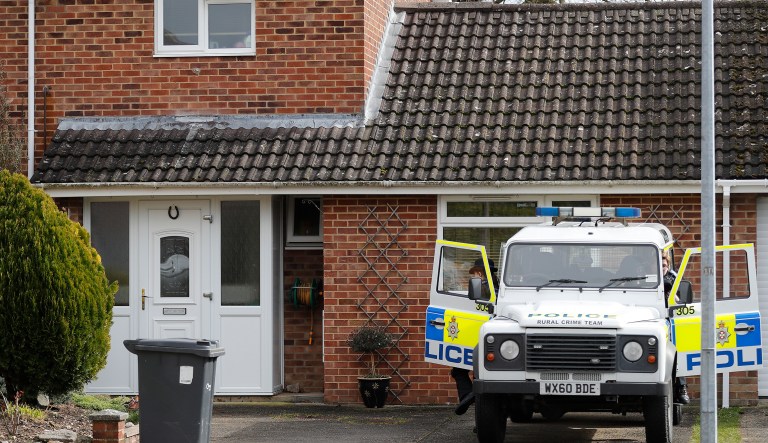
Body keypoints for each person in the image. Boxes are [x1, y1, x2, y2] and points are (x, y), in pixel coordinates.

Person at [452, 258, 498, 415]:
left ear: (479, 273)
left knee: (463, 372)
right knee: (477, 374)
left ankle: (467, 396)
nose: (472, 278)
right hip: (488, 336)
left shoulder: (483, 289)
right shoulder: (498, 288)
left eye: (474, 275)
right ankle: (468, 398)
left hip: (479, 336)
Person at [663, 251, 690, 405]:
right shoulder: (647, 278)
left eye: (665, 264)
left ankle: (681, 388)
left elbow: (681, 302)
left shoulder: (674, 278)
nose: (663, 267)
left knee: (678, 354)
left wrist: (671, 292)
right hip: (655, 321)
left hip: (673, 322)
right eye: (659, 265)